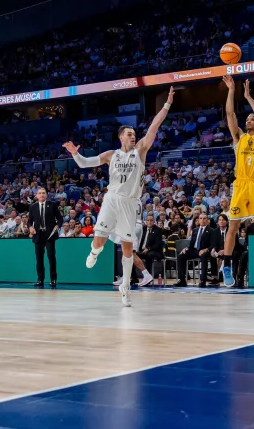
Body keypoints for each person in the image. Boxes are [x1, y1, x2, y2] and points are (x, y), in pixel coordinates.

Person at [67, 87, 174, 307]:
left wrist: (167, 104)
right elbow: (86, 163)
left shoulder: (141, 150)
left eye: (134, 134)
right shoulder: (110, 155)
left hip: (130, 203)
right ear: (120, 137)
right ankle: (94, 253)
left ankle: (125, 286)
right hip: (111, 200)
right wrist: (75, 153)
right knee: (99, 241)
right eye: (129, 134)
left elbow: (155, 125)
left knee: (127, 248)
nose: (133, 136)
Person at [218, 75, 254, 289]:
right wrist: (231, 90)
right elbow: (230, 114)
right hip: (240, 185)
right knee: (232, 227)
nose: (249, 120)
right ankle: (227, 266)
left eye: (252, 119)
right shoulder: (238, 138)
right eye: (248, 119)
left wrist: (249, 97)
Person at [175, 213, 221, 287]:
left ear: (207, 220)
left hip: (205, 251)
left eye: (204, 218)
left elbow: (213, 245)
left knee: (203, 256)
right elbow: (192, 243)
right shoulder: (195, 230)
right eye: (201, 218)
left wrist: (206, 249)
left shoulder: (212, 230)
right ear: (198, 220)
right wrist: (187, 248)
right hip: (195, 250)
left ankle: (203, 280)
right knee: (180, 256)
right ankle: (182, 279)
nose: (202, 220)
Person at [28, 187, 60, 288]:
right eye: (40, 193)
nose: (42, 195)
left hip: (49, 235)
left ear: (46, 195)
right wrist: (30, 227)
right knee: (39, 259)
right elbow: (29, 221)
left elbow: (60, 218)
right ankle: (40, 279)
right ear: (36, 195)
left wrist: (57, 225)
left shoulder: (52, 205)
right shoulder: (33, 207)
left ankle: (53, 279)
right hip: (38, 235)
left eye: (43, 193)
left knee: (51, 258)